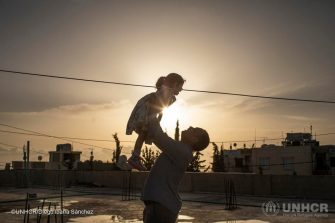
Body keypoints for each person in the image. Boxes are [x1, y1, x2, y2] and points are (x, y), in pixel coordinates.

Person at [142, 117, 210, 223]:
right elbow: (155, 135)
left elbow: (159, 137)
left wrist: (152, 112)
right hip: (160, 205)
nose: (191, 127)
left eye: (194, 130)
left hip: (161, 207)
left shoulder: (182, 151)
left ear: (195, 140)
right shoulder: (180, 150)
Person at [126, 73, 185, 171]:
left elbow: (161, 109)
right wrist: (150, 120)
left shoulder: (166, 92)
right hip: (147, 114)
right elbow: (157, 105)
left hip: (146, 114)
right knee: (156, 136)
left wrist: (156, 121)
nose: (181, 89)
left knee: (143, 135)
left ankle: (135, 157)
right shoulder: (168, 92)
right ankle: (172, 156)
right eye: (180, 86)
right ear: (175, 84)